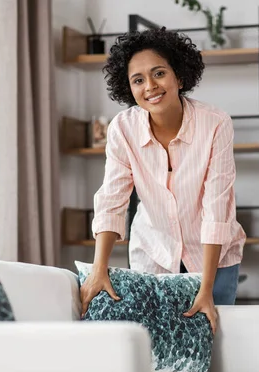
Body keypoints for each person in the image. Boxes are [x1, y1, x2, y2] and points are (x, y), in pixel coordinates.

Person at [80, 27, 246, 335]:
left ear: (179, 76)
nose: (150, 87)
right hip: (153, 252)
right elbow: (112, 198)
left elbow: (217, 206)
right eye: (138, 80)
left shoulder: (215, 123)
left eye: (159, 73)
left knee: (212, 348)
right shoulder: (123, 129)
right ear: (128, 88)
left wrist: (205, 287)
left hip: (213, 258)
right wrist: (99, 268)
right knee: (156, 348)